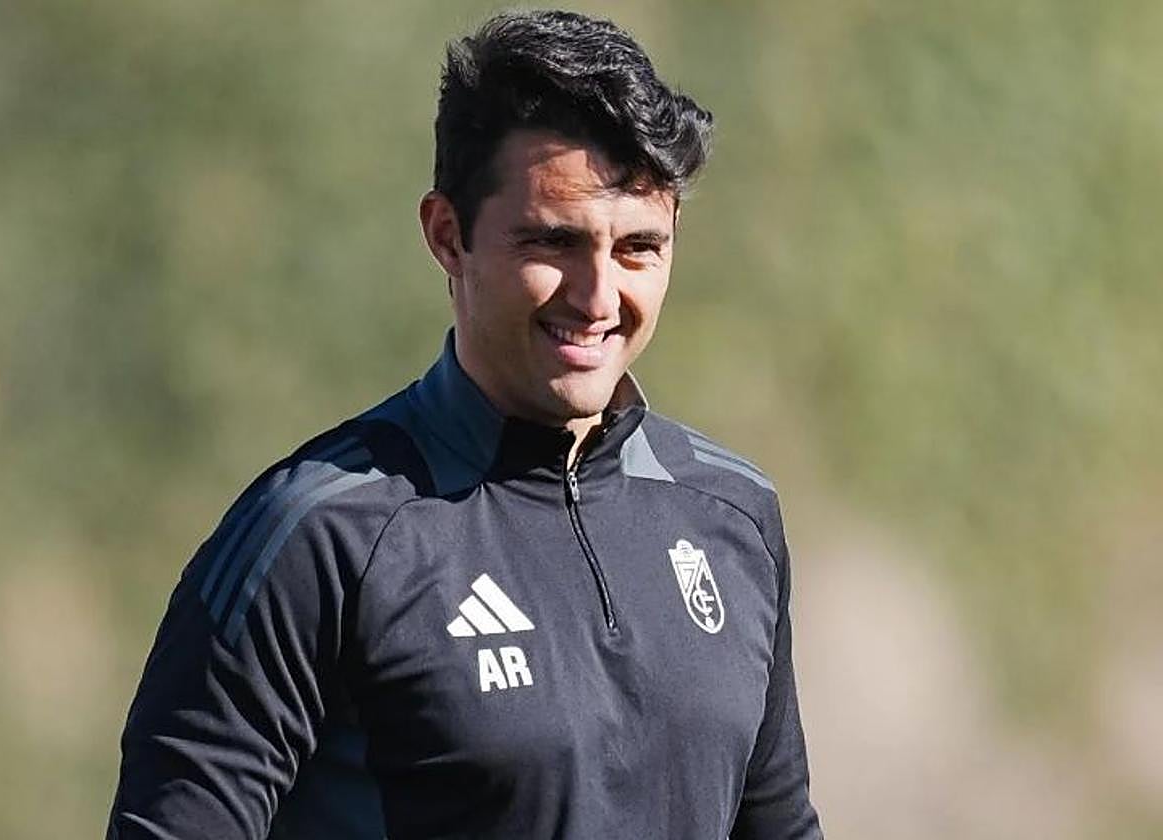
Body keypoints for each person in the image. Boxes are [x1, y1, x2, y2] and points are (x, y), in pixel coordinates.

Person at [107, 9, 822, 839]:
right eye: (552, 242)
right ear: (448, 236)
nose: (597, 299)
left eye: (637, 248)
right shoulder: (317, 539)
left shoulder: (732, 514)